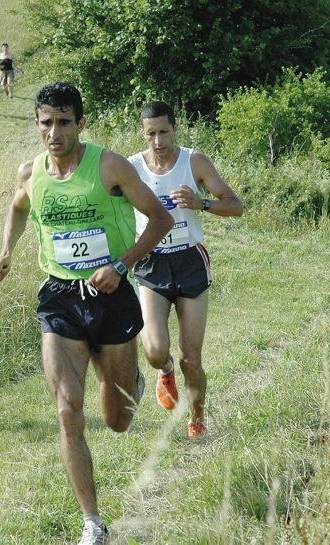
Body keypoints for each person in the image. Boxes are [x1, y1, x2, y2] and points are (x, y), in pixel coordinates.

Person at [0, 83, 173, 545]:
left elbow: (160, 220)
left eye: (64, 121)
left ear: (80, 123)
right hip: (59, 296)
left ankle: (127, 381)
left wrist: (120, 265)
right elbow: (17, 207)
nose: (54, 131)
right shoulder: (30, 172)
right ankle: (93, 521)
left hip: (111, 296)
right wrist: (7, 250)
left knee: (117, 419)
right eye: (46, 122)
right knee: (68, 408)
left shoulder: (109, 165)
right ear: (36, 124)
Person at [128, 101, 243, 439]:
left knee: (191, 358)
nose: (158, 141)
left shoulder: (194, 161)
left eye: (164, 132)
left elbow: (235, 206)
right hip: (152, 262)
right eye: (151, 134)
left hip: (190, 260)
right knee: (155, 350)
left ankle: (197, 417)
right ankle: (164, 372)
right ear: (143, 133)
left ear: (174, 128)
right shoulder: (131, 167)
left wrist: (201, 202)